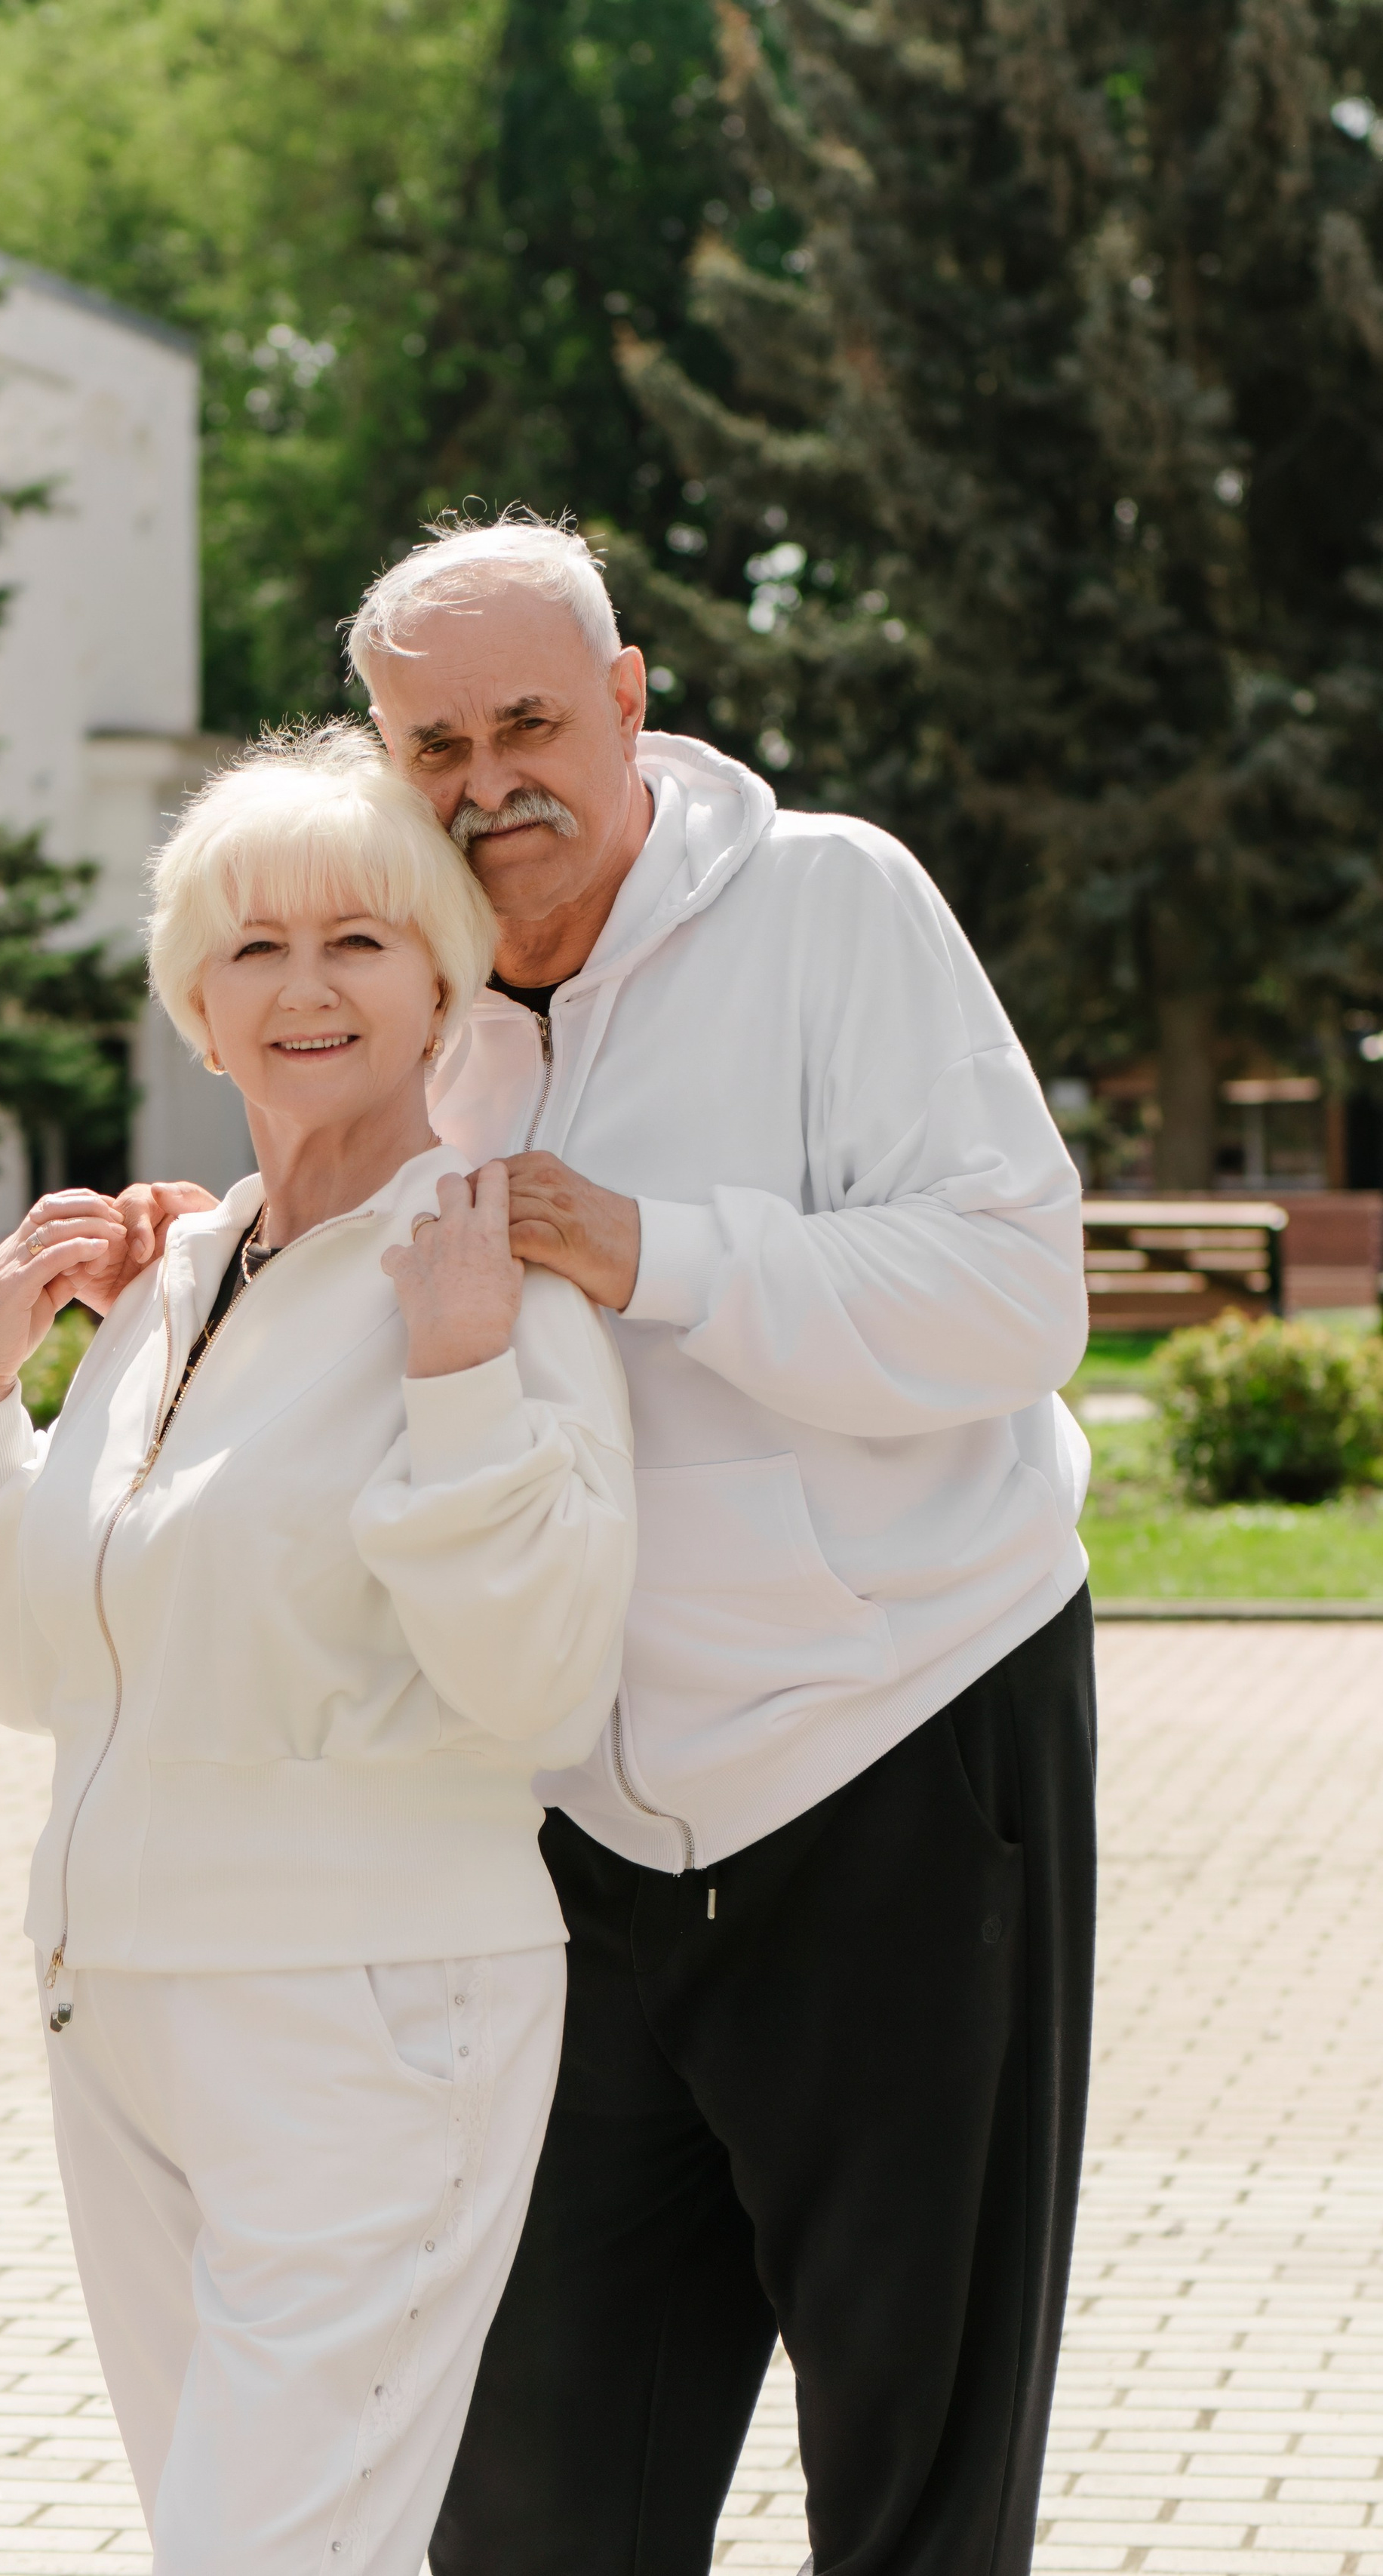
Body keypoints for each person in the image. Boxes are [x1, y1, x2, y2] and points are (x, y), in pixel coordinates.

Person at [112, 515, 1096, 2576]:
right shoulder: (420, 986)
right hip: (555, 1836)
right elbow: (330, 1265)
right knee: (534, 2499)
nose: (488, 781)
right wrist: (187, 1277)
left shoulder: (833, 901)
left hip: (894, 1760)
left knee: (918, 2480)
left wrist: (655, 1247)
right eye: (435, 742)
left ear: (632, 695)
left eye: (532, 720)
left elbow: (1018, 1296)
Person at [0, 725, 637, 2576]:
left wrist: (462, 1383)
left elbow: (539, 1682)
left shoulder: (486, 1263)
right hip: (119, 2003)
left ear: (441, 989)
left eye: (359, 942)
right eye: (250, 950)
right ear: (195, 1010)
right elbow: (36, 1670)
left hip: (365, 2020)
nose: (303, 988)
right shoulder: (172, 1280)